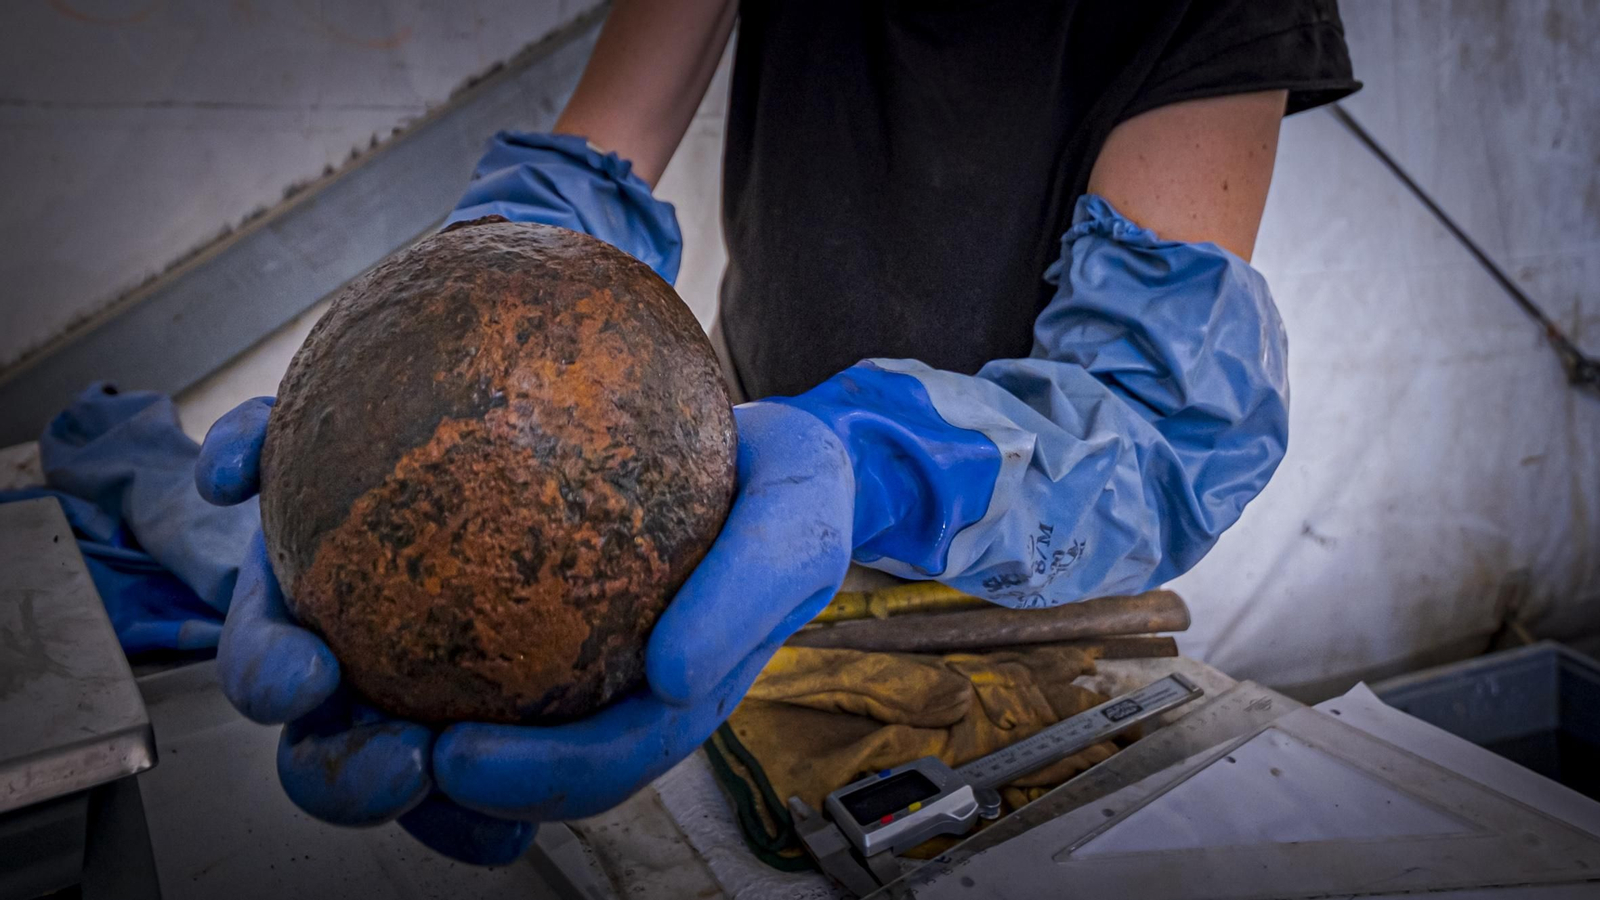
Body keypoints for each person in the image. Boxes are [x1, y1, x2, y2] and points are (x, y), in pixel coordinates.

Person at [196, 0, 1358, 865]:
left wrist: (878, 467)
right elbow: (592, 173)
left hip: (1027, 585)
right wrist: (463, 302)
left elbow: (1155, 417)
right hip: (715, 523)